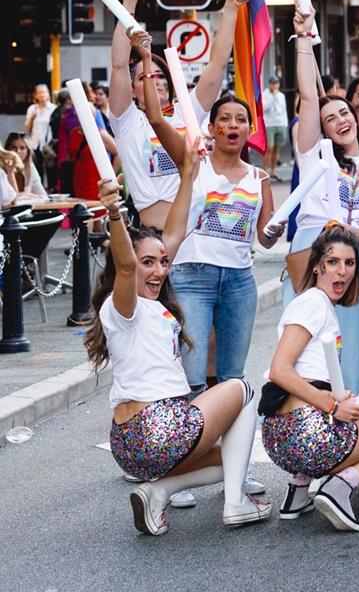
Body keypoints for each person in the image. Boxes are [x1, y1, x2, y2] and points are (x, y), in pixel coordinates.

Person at [84, 166, 270, 535]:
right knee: (243, 390)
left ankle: (157, 492)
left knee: (231, 461)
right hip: (156, 426)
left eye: (163, 262)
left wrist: (187, 173)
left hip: (131, 444)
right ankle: (236, 504)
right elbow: (124, 264)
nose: (158, 270)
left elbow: (173, 234)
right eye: (147, 263)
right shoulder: (123, 309)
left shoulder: (156, 307)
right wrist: (115, 213)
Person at [260, 224, 359, 531]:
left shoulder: (321, 307)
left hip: (281, 438)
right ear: (317, 265)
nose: (342, 272)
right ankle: (338, 488)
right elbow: (280, 369)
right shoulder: (312, 303)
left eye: (349, 263)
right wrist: (334, 408)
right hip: (304, 433)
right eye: (333, 262)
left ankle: (298, 491)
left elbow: (310, 373)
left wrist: (337, 397)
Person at [143, 38, 280, 393]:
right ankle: (194, 445)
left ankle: (225, 447)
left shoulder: (258, 177)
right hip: (191, 277)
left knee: (232, 378)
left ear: (250, 130)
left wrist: (275, 229)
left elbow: (264, 237)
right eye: (225, 119)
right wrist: (146, 60)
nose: (233, 125)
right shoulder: (192, 163)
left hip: (239, 282)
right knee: (191, 379)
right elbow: (156, 118)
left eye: (241, 120)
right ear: (212, 128)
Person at [285, 11, 359, 452]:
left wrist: (356, 238)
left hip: (352, 263)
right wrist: (305, 38)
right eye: (330, 116)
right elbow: (306, 94)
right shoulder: (315, 154)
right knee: (309, 351)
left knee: (354, 347)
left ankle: (358, 438)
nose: (340, 119)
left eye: (345, 112)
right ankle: (308, 438)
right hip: (311, 258)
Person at [109, 0, 244, 229]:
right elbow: (117, 66)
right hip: (150, 236)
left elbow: (216, 66)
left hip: (195, 235)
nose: (155, 81)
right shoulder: (127, 121)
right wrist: (129, 1)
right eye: (144, 78)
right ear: (133, 89)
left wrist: (230, 8)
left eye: (161, 76)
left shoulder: (187, 112)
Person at [24, 82, 53, 187]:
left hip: (48, 144)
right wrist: (32, 117)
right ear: (35, 95)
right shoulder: (32, 109)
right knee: (37, 169)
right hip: (35, 143)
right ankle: (40, 190)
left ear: (48, 94)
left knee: (50, 169)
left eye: (44, 92)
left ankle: (50, 189)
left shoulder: (53, 109)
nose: (42, 95)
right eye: (39, 93)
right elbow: (27, 128)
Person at [3, 131, 45, 200]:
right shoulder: (2, 169)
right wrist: (23, 195)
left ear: (27, 152)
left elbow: (42, 195)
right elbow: (4, 197)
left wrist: (33, 196)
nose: (18, 151)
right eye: (13, 147)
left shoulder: (30, 168)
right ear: (7, 150)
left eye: (22, 148)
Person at [262, 76, 288, 178]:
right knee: (269, 148)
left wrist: (285, 123)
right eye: (273, 83)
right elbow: (265, 108)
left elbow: (283, 110)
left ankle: (273, 171)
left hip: (280, 123)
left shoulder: (281, 96)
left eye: (276, 83)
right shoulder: (265, 94)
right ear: (269, 84)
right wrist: (273, 96)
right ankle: (265, 170)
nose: (275, 85)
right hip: (269, 124)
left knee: (277, 148)